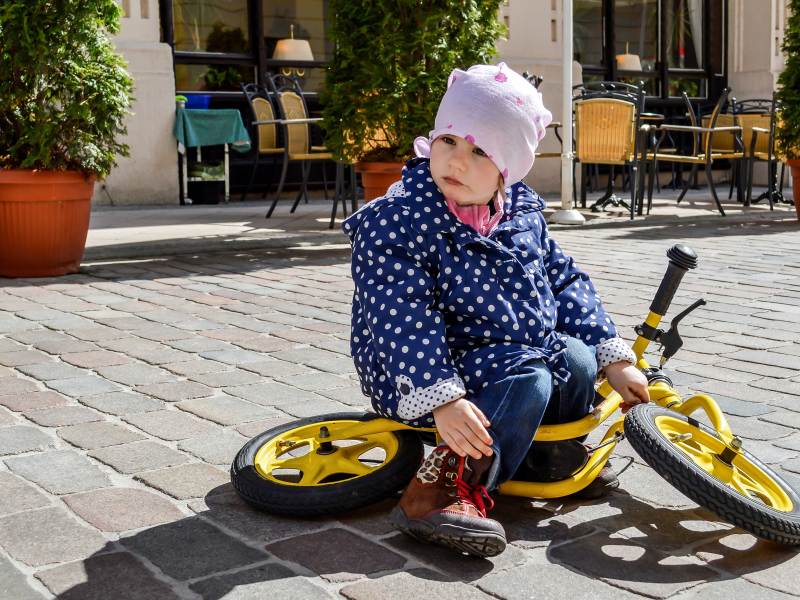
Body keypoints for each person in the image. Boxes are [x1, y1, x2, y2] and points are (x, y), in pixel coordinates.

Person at [342, 63, 649, 558]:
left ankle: (542, 456)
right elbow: (400, 314)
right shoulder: (399, 222)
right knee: (528, 376)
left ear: (507, 168)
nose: (456, 163)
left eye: (479, 151)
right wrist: (439, 396)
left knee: (575, 360)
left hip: (508, 350)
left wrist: (612, 356)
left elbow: (564, 281)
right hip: (421, 365)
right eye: (448, 142)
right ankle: (441, 488)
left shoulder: (520, 213)